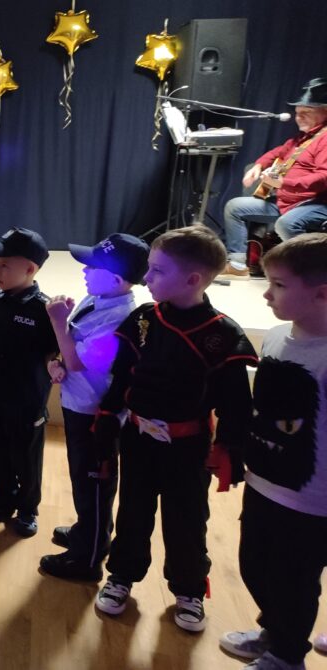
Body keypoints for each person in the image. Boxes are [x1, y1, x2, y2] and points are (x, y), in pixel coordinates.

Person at [93, 225, 257, 633]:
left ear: (193, 279)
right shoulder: (143, 320)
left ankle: (189, 589)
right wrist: (106, 420)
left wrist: (228, 449)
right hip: (138, 439)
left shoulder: (222, 334)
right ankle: (121, 575)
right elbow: (122, 377)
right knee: (133, 511)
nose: (146, 277)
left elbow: (236, 403)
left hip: (188, 447)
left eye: (157, 270)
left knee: (186, 519)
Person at [220, 234, 327, 670]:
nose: (266, 293)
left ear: (322, 294)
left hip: (310, 500)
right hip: (264, 479)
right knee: (255, 565)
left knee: (294, 578)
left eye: (279, 285)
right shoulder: (278, 337)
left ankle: (287, 655)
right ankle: (277, 631)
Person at [39, 233, 150, 580]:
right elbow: (70, 352)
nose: (85, 270)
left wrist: (57, 322)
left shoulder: (120, 319)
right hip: (77, 403)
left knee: (94, 485)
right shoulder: (98, 298)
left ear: (117, 280)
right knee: (82, 480)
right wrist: (55, 361)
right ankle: (87, 532)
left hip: (95, 414)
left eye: (93, 267)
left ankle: (87, 559)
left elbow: (78, 361)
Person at [0, 228, 59, 537]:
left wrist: (57, 367)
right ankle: (2, 500)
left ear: (29, 268)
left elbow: (52, 352)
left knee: (26, 458)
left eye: (4, 265)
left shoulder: (45, 310)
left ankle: (28, 508)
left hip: (27, 401)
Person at [222, 78, 327, 276]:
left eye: (306, 112)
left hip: (313, 204)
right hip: (286, 202)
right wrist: (259, 165)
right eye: (297, 113)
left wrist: (283, 183)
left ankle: (309, 271)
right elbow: (278, 152)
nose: (299, 118)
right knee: (235, 207)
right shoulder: (302, 138)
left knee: (287, 224)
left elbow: (323, 177)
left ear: (325, 112)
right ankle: (237, 264)